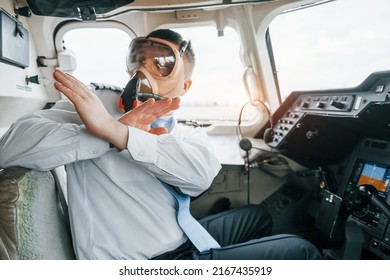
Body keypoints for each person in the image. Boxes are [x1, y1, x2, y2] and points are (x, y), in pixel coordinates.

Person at [0, 29, 321, 260]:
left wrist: (118, 134)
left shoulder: (180, 127)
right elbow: (10, 148)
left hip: (182, 237)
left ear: (184, 83)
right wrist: (99, 133)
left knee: (257, 216)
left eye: (162, 61)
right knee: (300, 250)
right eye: (139, 58)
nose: (144, 68)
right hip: (147, 262)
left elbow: (199, 179)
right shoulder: (96, 104)